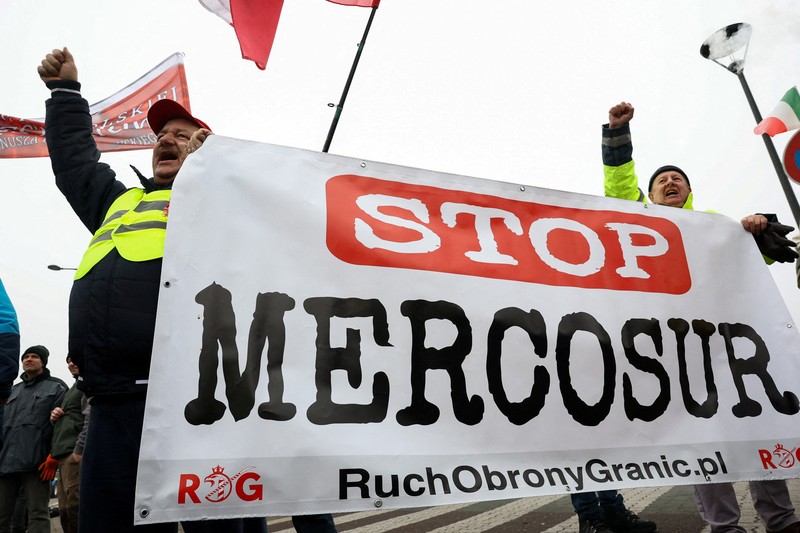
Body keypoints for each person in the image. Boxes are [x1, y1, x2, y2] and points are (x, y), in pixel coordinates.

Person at [38, 47, 337, 533]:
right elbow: (74, 162)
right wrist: (66, 94)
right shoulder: (118, 201)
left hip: (197, 402)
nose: (166, 141)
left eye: (182, 136)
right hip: (114, 401)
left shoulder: (226, 204)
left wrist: (212, 174)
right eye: (160, 136)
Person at [602, 101, 800, 533]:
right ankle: (723, 527)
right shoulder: (640, 224)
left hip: (732, 347)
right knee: (704, 440)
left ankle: (782, 520)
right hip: (675, 352)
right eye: (661, 180)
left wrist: (757, 228)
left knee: (757, 429)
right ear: (648, 197)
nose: (670, 182)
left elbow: (754, 266)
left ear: (689, 192)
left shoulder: (714, 224)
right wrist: (617, 134)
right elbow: (619, 188)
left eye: (678, 179)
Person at [0, 345, 67, 533]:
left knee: (38, 514)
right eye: (25, 357)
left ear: (43, 362)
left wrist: (54, 455)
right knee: (2, 516)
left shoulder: (57, 387)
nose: (28, 359)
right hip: (5, 463)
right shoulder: (12, 390)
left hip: (38, 464)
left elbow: (62, 426)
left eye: (34, 356)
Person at [48, 355, 89, 533]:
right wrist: (55, 417)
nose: (70, 363)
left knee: (75, 506)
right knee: (64, 510)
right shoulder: (73, 388)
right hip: (63, 454)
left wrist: (79, 450)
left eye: (74, 359)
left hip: (76, 453)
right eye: (67, 361)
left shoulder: (88, 384)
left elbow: (91, 418)